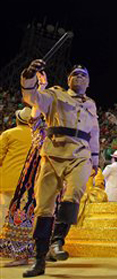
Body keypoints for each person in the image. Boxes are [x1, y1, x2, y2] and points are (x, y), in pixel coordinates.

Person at [20, 60, 100, 278]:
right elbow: (32, 97)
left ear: (89, 81)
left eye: (83, 75)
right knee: (44, 207)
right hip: (54, 152)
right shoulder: (55, 95)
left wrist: (95, 159)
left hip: (81, 154)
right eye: (75, 75)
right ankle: (40, 259)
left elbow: (94, 131)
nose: (79, 78)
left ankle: (58, 241)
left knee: (74, 193)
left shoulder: (91, 104)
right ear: (68, 80)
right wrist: (29, 75)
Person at [0, 107, 33, 266]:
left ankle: (5, 250)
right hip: (30, 183)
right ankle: (22, 251)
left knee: (4, 215)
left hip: (8, 181)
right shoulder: (38, 135)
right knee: (25, 217)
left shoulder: (8, 134)